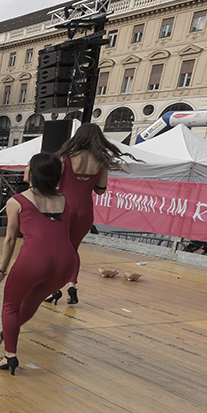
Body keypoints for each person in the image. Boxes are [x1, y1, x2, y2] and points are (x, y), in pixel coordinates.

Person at [0, 153, 77, 376]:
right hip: (66, 263)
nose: (25, 170)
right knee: (34, 299)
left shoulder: (16, 201)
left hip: (35, 259)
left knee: (10, 305)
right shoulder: (67, 201)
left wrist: (1, 269)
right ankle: (11, 330)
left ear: (35, 173)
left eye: (28, 166)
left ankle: (10, 355)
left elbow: (10, 239)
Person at [54, 123, 135, 304]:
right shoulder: (102, 161)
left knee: (58, 249)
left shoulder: (65, 157)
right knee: (73, 249)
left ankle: (54, 288)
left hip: (64, 206)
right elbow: (100, 190)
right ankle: (72, 285)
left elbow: (54, 182)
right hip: (85, 209)